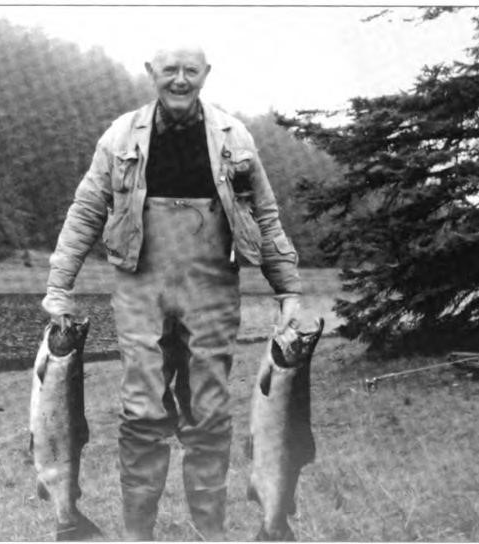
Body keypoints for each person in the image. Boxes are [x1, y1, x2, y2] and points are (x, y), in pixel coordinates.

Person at [42, 44, 302, 540]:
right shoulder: (120, 136)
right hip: (141, 287)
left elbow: (266, 216)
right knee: (142, 414)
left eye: (190, 71)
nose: (179, 80)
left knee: (209, 415)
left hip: (213, 289)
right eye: (169, 71)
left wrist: (287, 290)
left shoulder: (235, 138)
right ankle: (138, 535)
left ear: (206, 74)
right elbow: (85, 212)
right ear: (151, 74)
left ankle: (211, 534)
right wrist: (60, 284)